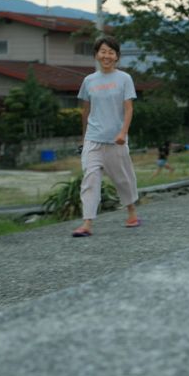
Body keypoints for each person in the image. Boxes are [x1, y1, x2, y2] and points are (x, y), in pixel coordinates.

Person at [72, 36, 140, 236]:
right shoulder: (89, 80)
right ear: (96, 54)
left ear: (117, 56)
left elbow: (128, 109)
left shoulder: (124, 79)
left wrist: (123, 133)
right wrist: (84, 140)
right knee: (90, 179)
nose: (106, 55)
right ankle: (87, 224)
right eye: (103, 51)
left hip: (116, 139)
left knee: (122, 179)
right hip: (93, 139)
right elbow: (86, 111)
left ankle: (131, 212)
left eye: (111, 52)